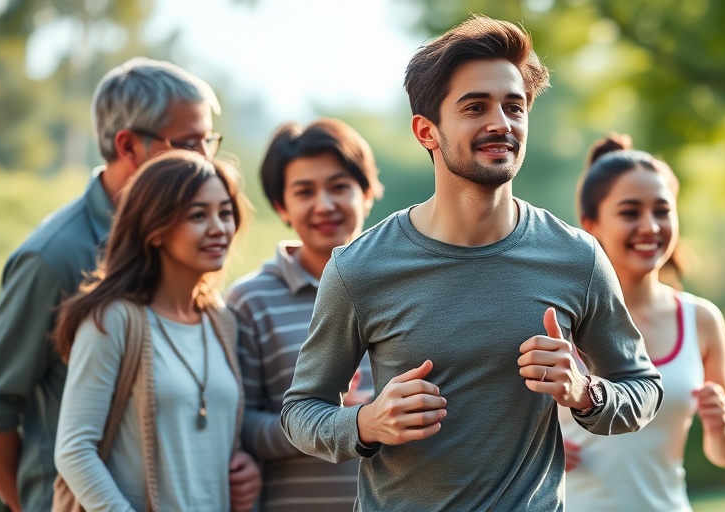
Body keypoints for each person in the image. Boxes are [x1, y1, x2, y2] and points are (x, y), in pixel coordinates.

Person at [280, 15, 664, 511]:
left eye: (514, 106)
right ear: (426, 131)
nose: (501, 123)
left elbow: (643, 388)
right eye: (475, 107)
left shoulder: (576, 257)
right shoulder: (360, 268)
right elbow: (301, 410)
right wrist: (365, 423)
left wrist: (586, 391)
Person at [0, 57, 258, 511]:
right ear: (127, 145)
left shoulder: (202, 281)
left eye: (208, 142)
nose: (205, 160)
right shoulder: (53, 257)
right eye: (188, 143)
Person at [52, 151, 253, 511]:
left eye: (225, 213)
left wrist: (242, 469)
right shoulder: (113, 320)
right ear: (156, 229)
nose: (219, 228)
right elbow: (74, 450)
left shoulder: (222, 321)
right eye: (198, 215)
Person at [560, 134, 725, 511]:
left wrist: (720, 427)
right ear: (591, 224)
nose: (649, 226)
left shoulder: (701, 319)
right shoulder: (558, 319)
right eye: (630, 213)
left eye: (662, 211)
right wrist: (536, 450)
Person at [225, 118, 384, 511]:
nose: (324, 205)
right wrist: (340, 420)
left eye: (339, 187)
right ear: (281, 206)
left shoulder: (404, 287)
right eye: (304, 191)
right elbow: (237, 427)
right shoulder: (250, 301)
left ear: (366, 193)